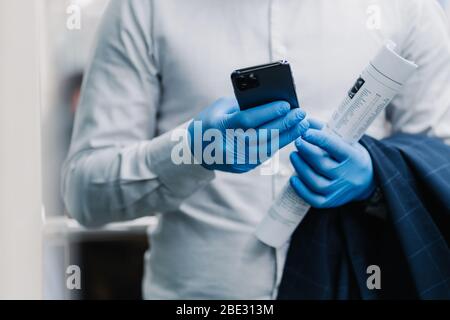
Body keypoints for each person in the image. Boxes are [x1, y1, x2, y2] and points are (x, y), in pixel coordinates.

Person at [62, 0, 450, 299]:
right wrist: (190, 153)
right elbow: (84, 194)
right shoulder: (144, 8)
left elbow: (441, 169)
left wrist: (378, 177)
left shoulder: (406, 8)